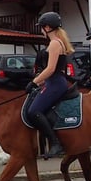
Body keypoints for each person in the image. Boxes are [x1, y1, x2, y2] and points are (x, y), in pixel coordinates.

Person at [26, 11, 73, 158]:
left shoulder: (54, 43)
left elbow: (50, 69)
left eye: (41, 27)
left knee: (33, 111)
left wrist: (34, 82)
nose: (41, 30)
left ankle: (56, 143)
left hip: (55, 84)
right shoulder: (58, 42)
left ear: (47, 27)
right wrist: (39, 82)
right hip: (53, 82)